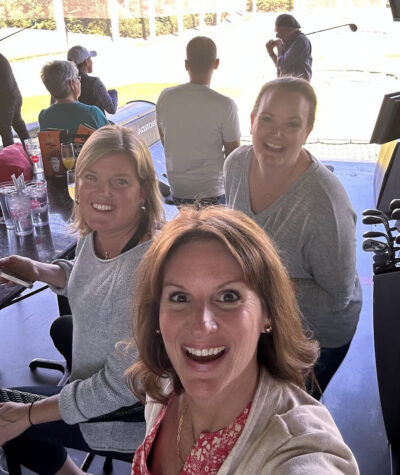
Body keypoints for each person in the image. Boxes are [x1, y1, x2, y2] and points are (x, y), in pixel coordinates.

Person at [127, 206, 359, 474]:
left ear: (268, 314)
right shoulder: (164, 385)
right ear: (157, 314)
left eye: (228, 297)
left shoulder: (297, 445)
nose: (202, 326)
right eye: (180, 298)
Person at [0, 125, 164, 473]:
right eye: (90, 176)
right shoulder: (104, 233)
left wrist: (28, 414)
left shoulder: (145, 274)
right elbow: (88, 274)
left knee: (5, 412)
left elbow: (118, 389)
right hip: (100, 381)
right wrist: (38, 269)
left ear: (143, 193)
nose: (101, 192)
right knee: (64, 326)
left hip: (125, 417)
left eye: (120, 181)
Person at [224, 77, 362, 400]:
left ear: (307, 132)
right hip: (263, 316)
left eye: (292, 124)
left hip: (317, 333)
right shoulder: (234, 166)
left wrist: (265, 283)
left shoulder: (324, 202)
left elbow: (337, 298)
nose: (276, 134)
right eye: (268, 119)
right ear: (253, 120)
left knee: (294, 410)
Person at [156, 36, 241, 206]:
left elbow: (166, 140)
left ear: (187, 64)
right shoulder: (225, 105)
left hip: (179, 190)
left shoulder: (166, 96)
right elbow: (233, 155)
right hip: (213, 190)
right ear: (216, 63)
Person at [39, 60, 109, 134]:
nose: (79, 81)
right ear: (71, 84)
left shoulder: (44, 116)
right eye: (77, 78)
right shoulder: (92, 114)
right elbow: (113, 141)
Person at [67, 45, 118, 115]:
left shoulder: (64, 83)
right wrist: (113, 93)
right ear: (86, 62)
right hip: (96, 125)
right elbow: (111, 109)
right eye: (90, 59)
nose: (92, 62)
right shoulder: (94, 83)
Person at [266, 14, 312, 81]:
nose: (277, 35)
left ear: (290, 30)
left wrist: (279, 48)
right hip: (289, 83)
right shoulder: (288, 41)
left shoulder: (300, 41)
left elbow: (282, 66)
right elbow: (280, 67)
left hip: (298, 85)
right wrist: (271, 52)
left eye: (280, 32)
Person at [0, 53, 30, 148]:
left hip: (7, 99)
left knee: (5, 128)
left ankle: (11, 158)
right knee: (18, 123)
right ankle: (30, 152)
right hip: (13, 96)